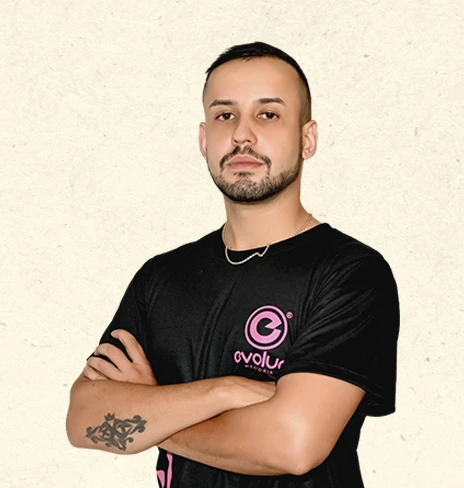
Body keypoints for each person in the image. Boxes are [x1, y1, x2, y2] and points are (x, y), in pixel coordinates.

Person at [66, 41, 400, 487]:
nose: (243, 134)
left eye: (268, 114)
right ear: (204, 139)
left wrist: (153, 409)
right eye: (225, 115)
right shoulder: (161, 278)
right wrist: (227, 390)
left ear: (307, 139)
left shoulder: (351, 274)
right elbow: (83, 421)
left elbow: (292, 445)